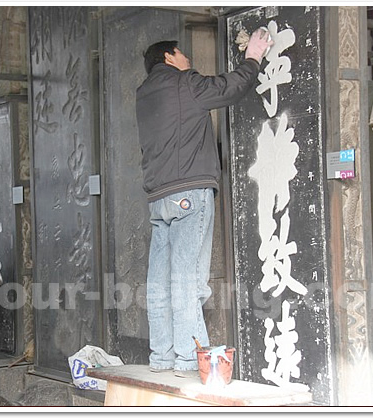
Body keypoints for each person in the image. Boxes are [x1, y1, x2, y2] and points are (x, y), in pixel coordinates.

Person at [136, 30, 273, 377]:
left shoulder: (143, 94)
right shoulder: (184, 83)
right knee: (187, 281)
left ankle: (161, 358)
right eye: (182, 55)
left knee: (160, 283)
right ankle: (187, 361)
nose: (188, 61)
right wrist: (253, 56)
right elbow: (230, 87)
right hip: (189, 192)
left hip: (159, 198)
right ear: (168, 57)